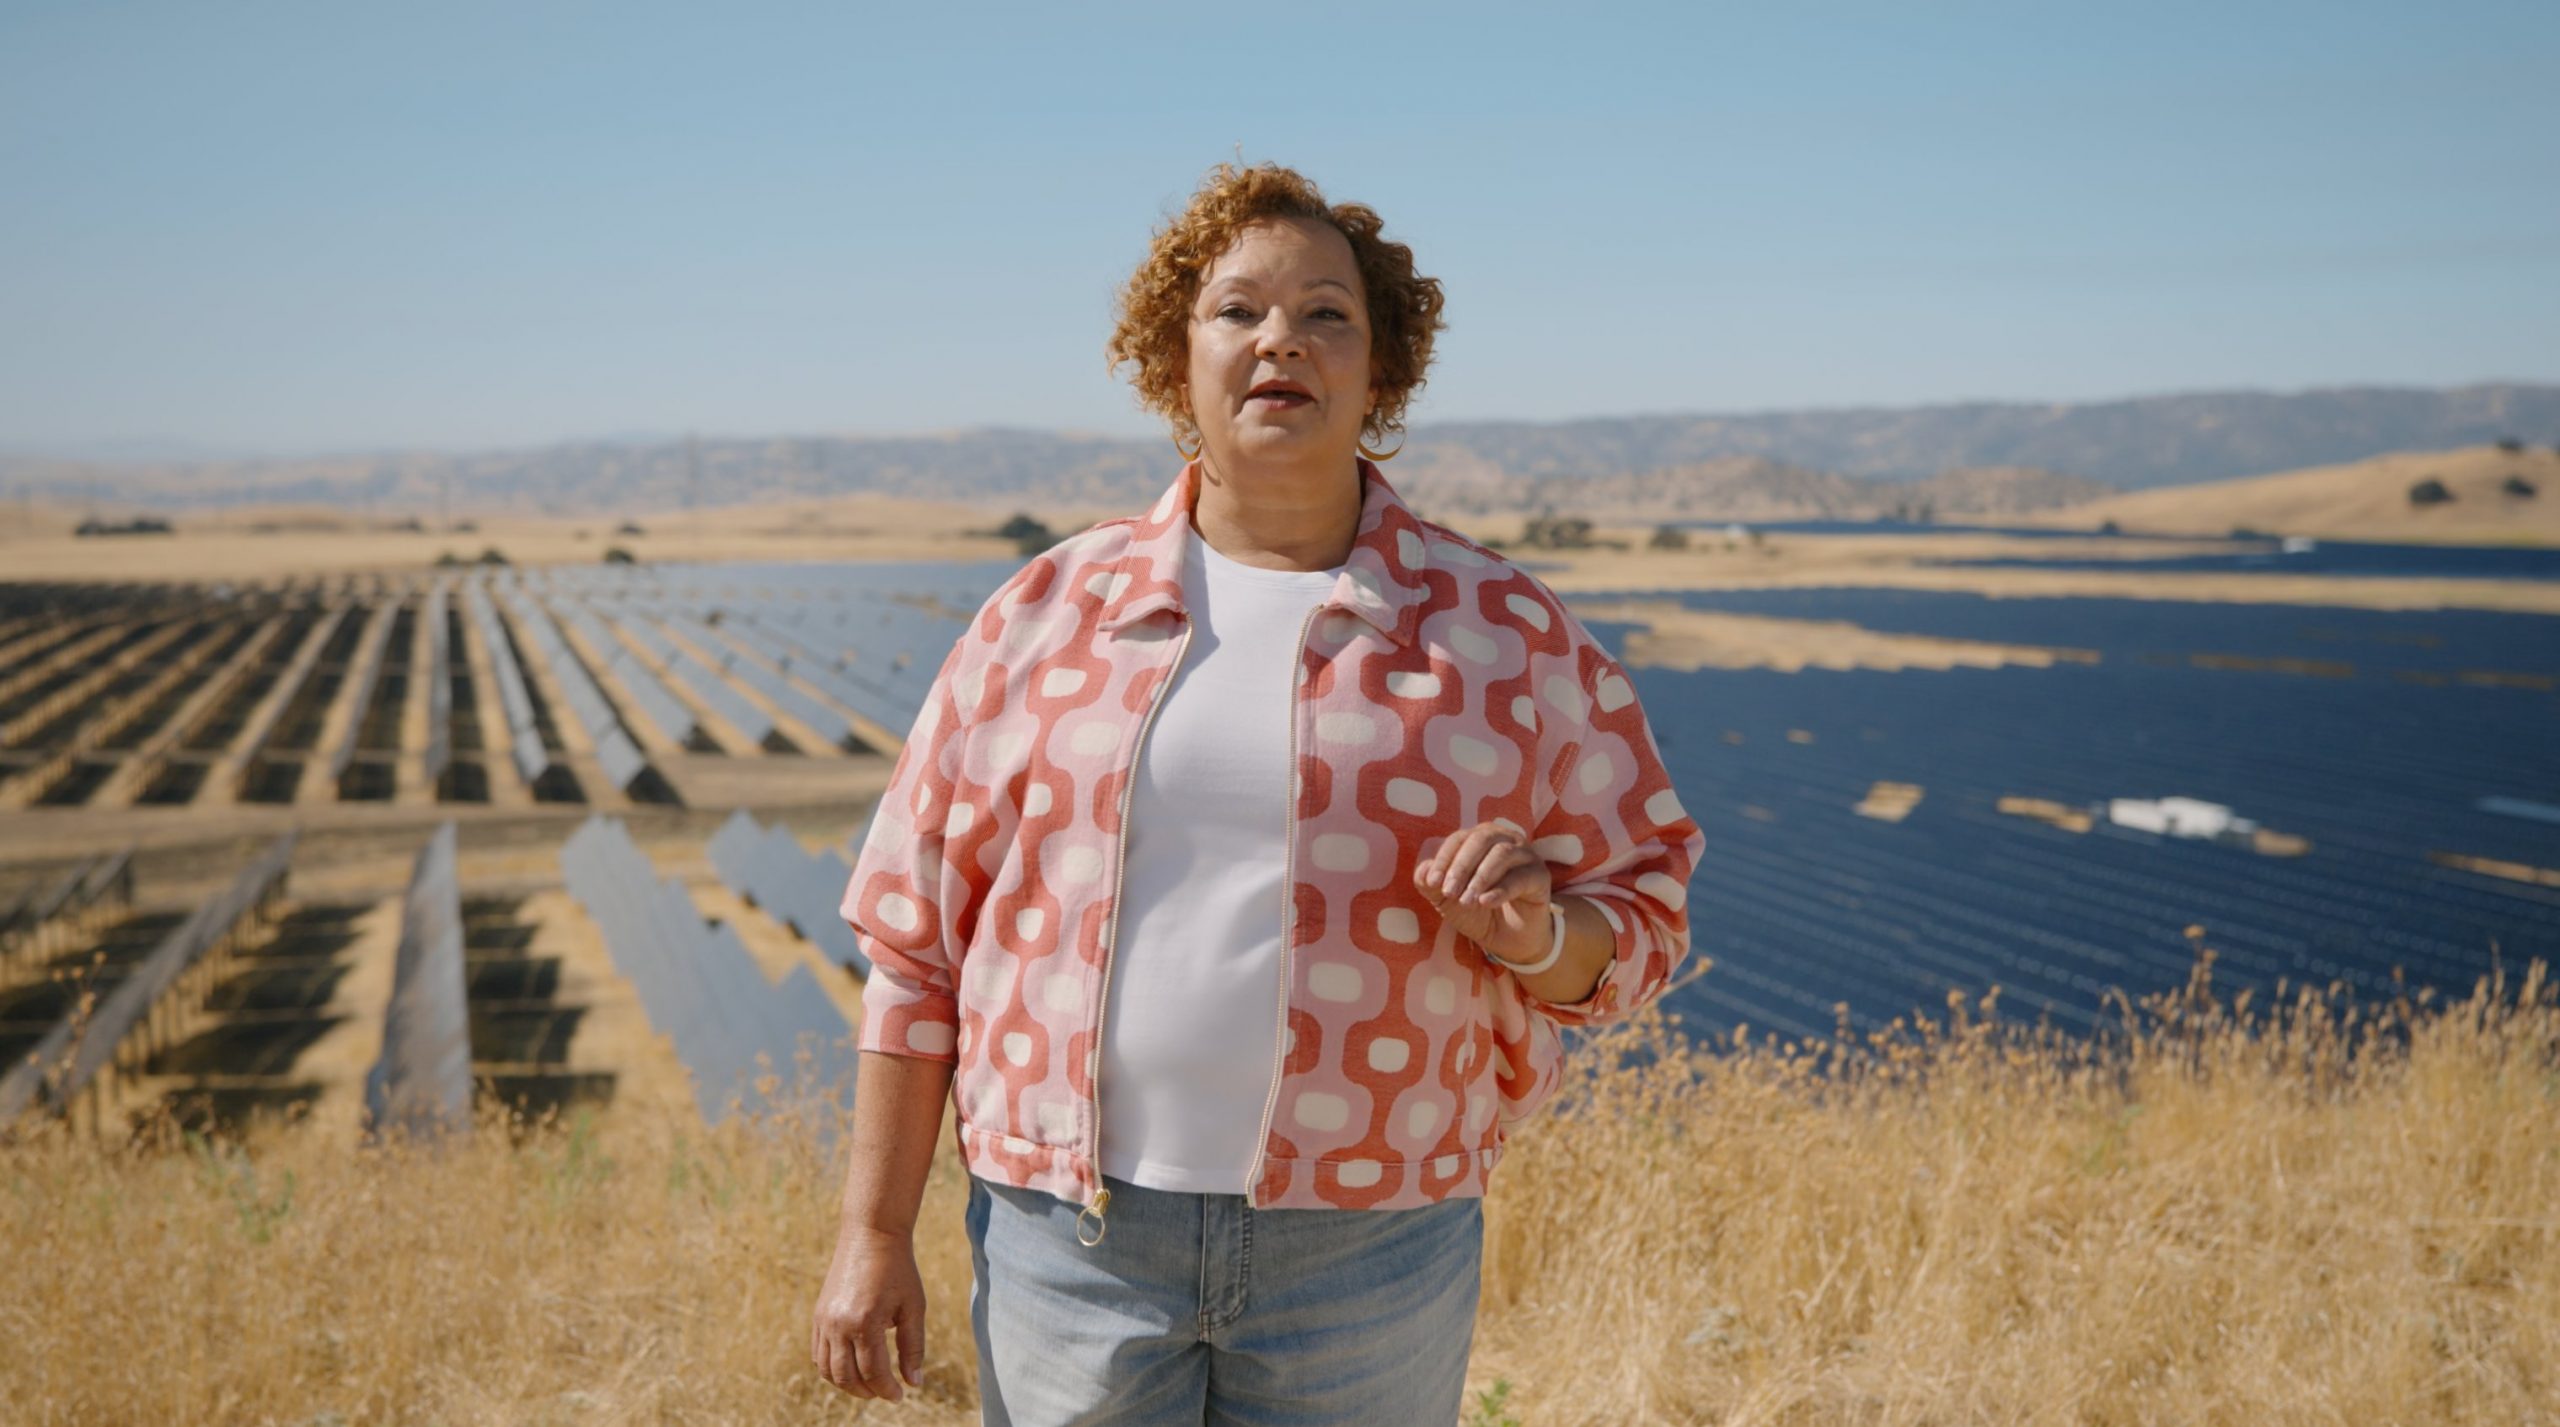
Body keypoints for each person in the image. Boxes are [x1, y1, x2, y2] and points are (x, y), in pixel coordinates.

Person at [811, 161, 1702, 1425]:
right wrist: (871, 1229)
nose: (1281, 337)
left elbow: (1643, 915)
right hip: (1070, 1241)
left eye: (1327, 313)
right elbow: (912, 946)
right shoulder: (1043, 616)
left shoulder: (1507, 638)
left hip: (1372, 1249)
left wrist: (1543, 937)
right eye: (1237, 310)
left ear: (1381, 369)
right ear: (1173, 359)